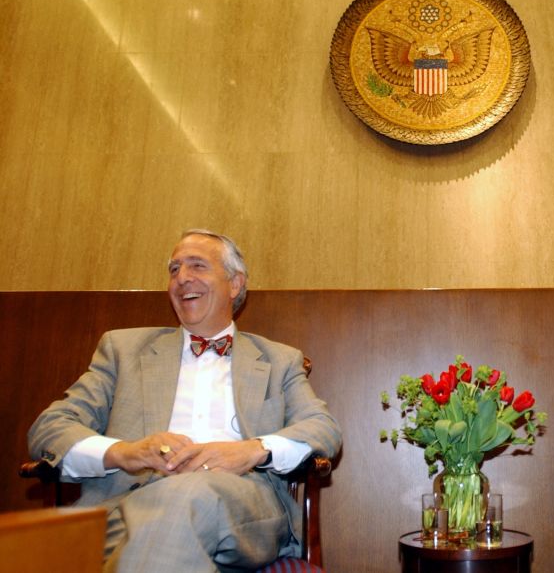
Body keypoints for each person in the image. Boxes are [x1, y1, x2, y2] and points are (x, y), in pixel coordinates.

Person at [28, 229, 342, 572]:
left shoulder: (279, 360)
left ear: (235, 284)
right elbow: (49, 429)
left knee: (186, 496)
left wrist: (251, 450)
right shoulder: (123, 351)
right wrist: (127, 453)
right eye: (174, 269)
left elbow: (322, 428)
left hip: (243, 507)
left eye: (197, 266)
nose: (182, 278)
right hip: (124, 508)